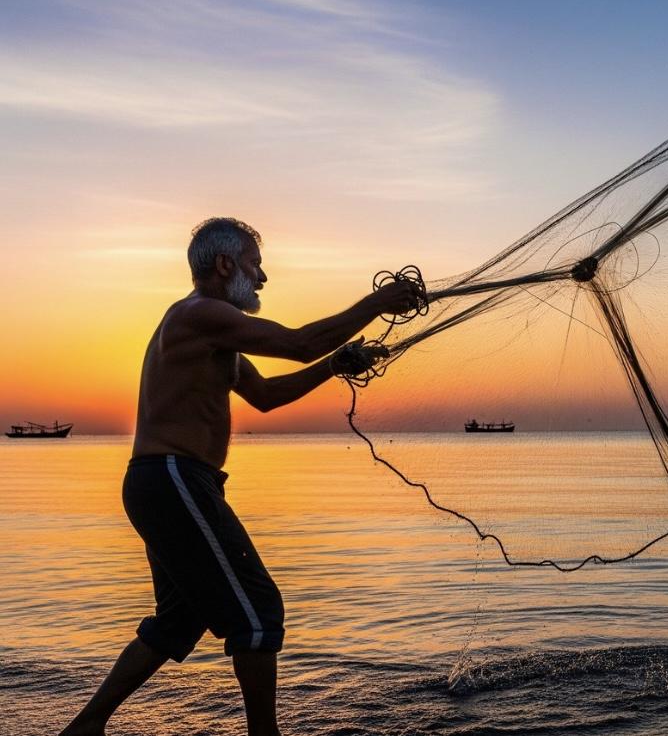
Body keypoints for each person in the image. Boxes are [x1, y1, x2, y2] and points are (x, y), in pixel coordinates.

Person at [60, 217, 422, 736]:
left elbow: (267, 396)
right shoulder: (200, 314)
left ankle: (85, 727)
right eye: (255, 265)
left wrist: (335, 365)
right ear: (225, 264)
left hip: (169, 484)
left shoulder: (214, 334)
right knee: (259, 610)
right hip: (173, 478)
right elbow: (300, 342)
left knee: (180, 619)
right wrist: (377, 303)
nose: (263, 278)